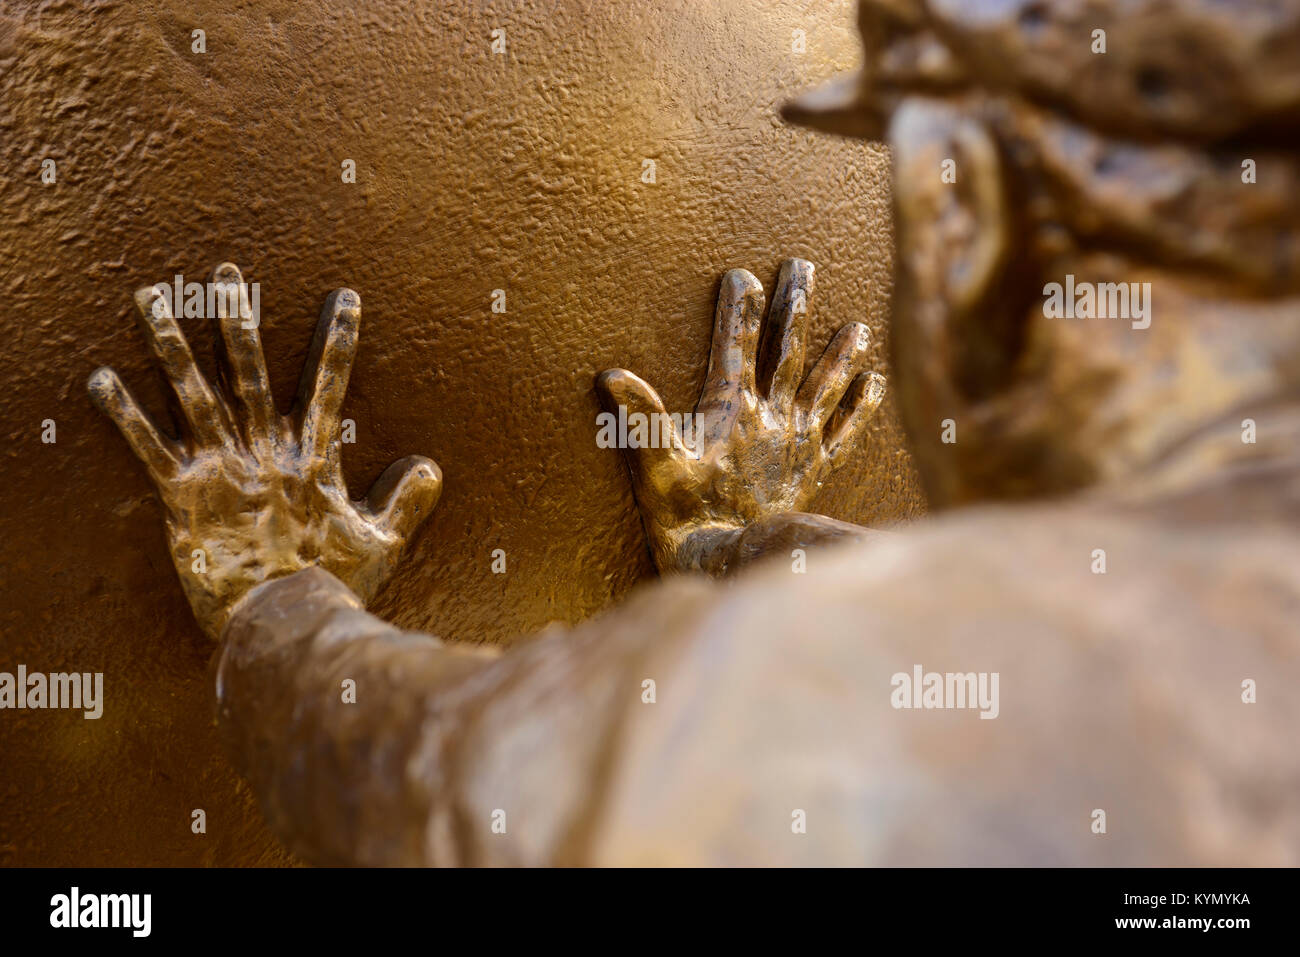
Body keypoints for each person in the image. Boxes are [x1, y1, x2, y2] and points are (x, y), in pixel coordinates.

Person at [88, 0, 1300, 865]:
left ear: (967, 224)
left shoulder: (806, 726)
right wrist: (744, 543)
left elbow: (437, 775)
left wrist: (275, 602)